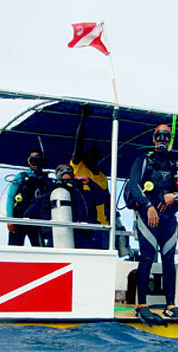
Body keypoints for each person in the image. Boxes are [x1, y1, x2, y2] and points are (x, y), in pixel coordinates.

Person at [125, 123, 178, 324]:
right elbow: (133, 185)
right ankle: (142, 305)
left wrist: (175, 196)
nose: (162, 140)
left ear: (170, 139)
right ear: (153, 138)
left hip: (169, 220)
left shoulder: (177, 164)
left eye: (166, 136)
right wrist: (148, 205)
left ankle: (170, 305)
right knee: (147, 258)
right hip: (148, 218)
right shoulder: (143, 160)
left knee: (169, 261)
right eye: (159, 136)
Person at [71, 104, 110, 248]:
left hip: (103, 226)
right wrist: (84, 118)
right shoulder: (78, 166)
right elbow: (79, 143)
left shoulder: (102, 176)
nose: (93, 157)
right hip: (84, 225)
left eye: (96, 155)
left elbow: (107, 199)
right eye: (90, 154)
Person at [6, 150, 54, 247]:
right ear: (29, 162)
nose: (36, 164)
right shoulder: (21, 177)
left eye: (38, 161)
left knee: (39, 248)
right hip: (18, 218)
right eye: (33, 161)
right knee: (14, 248)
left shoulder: (46, 180)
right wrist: (10, 219)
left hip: (36, 220)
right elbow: (10, 197)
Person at [54, 164, 105, 248]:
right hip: (63, 237)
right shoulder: (52, 193)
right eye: (61, 170)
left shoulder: (84, 194)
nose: (65, 171)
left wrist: (90, 182)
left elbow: (103, 197)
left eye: (68, 170)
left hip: (88, 236)